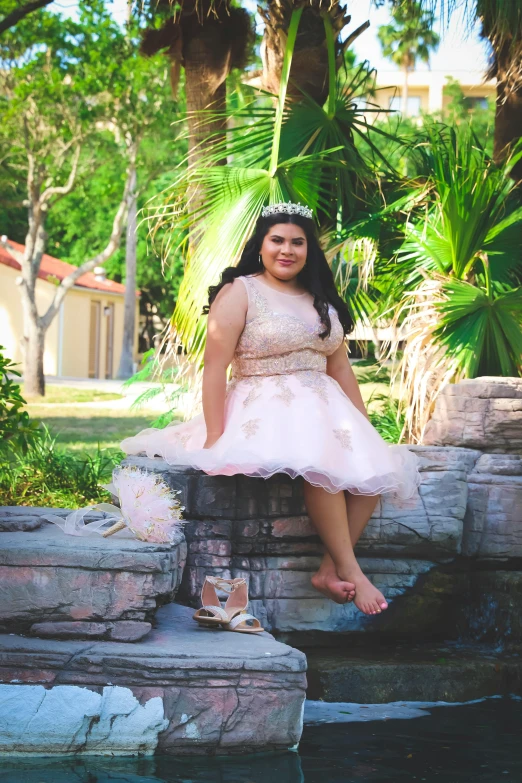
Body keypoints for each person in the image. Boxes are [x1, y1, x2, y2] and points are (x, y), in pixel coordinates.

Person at [121, 202, 420, 616]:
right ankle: (351, 569)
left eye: (298, 242)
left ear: (308, 250)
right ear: (260, 245)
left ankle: (329, 569)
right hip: (262, 404)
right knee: (321, 461)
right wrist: (213, 435)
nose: (287, 250)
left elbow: (340, 368)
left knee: (374, 472)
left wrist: (365, 429)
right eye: (277, 240)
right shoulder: (241, 291)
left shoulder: (321, 299)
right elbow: (214, 368)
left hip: (325, 407)